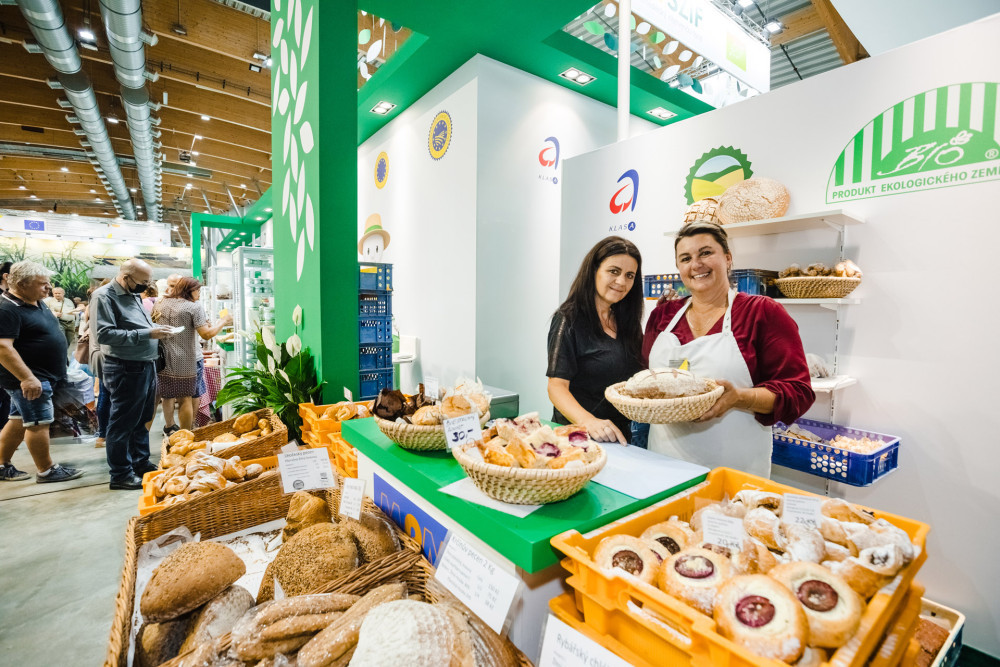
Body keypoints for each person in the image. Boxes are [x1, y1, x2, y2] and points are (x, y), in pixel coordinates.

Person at [641, 221, 815, 477]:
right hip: (663, 465)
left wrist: (740, 398)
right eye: (685, 258)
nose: (696, 264)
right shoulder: (663, 316)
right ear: (678, 267)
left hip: (734, 471)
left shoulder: (761, 313)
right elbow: (646, 379)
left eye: (706, 253)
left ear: (728, 258)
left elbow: (798, 392)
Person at [547, 236, 644, 444]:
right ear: (594, 271)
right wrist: (589, 422)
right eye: (614, 271)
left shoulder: (628, 321)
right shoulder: (568, 319)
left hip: (622, 437)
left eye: (629, 275)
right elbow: (556, 387)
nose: (621, 282)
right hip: (578, 439)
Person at [92, 259, 175, 490]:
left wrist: (156, 333)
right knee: (122, 423)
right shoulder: (104, 296)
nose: (146, 285)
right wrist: (148, 334)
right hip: (125, 367)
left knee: (142, 419)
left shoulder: (134, 294)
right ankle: (120, 474)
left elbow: (138, 326)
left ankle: (139, 463)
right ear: (126, 276)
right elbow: (105, 334)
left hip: (145, 364)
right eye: (142, 281)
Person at [0, 261, 83, 483]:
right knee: (38, 423)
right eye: (42, 284)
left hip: (42, 376)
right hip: (31, 379)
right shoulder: (7, 309)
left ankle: (1, 464)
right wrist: (27, 378)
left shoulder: (35, 301)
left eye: (48, 283)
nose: (48, 288)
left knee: (18, 421)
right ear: (21, 284)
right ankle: (46, 471)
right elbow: (3, 347)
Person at [153, 277, 230, 432]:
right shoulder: (193, 307)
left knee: (166, 395)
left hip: (163, 359)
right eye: (198, 290)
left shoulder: (160, 302)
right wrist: (223, 321)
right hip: (187, 359)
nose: (200, 294)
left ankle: (170, 427)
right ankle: (187, 434)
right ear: (189, 290)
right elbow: (207, 334)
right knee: (186, 398)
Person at [85, 280, 111, 447]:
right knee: (107, 395)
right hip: (106, 356)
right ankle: (103, 434)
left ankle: (103, 435)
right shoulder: (103, 303)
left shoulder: (95, 303)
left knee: (105, 394)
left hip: (100, 354)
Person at [43, 286, 82, 353]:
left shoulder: (69, 301)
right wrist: (53, 313)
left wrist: (76, 323)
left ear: (63, 293)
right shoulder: (48, 301)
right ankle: (62, 355)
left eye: (59, 293)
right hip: (60, 323)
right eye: (55, 293)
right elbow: (44, 311)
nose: (57, 294)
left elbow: (74, 312)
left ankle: (63, 354)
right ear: (53, 294)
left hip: (71, 324)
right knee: (62, 340)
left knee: (69, 341)